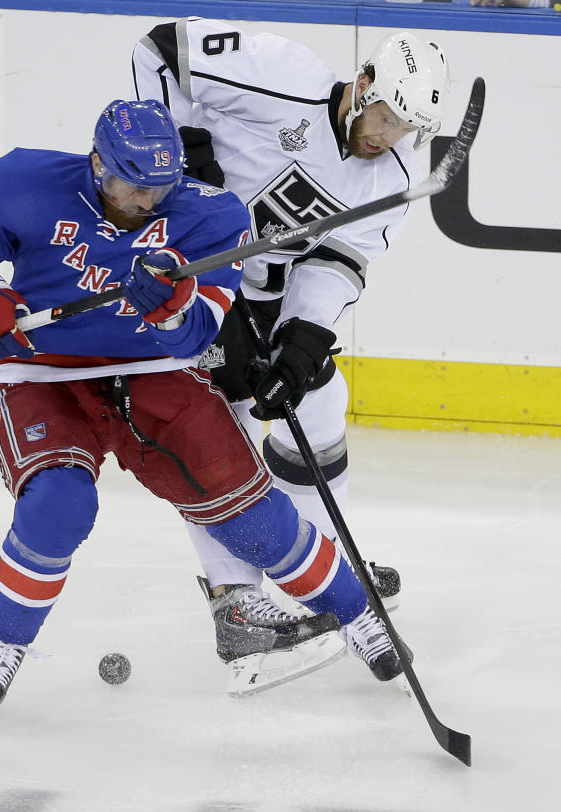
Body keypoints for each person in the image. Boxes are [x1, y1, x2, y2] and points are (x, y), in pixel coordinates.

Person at [0, 99, 408, 711]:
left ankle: (361, 619)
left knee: (250, 515)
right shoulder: (23, 181)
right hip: (41, 373)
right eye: (133, 186)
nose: (148, 202)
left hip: (152, 372)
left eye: (162, 188)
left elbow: (197, 335)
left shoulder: (213, 217)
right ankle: (5, 642)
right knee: (59, 504)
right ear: (97, 164)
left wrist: (168, 308)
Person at [132, 22, 450, 666]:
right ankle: (237, 603)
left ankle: (324, 569)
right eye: (386, 116)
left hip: (268, 293)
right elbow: (161, 48)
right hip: (186, 271)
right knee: (221, 427)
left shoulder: (395, 168)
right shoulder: (280, 72)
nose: (388, 138)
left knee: (321, 400)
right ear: (363, 85)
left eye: (406, 129)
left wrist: (303, 346)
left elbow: (340, 258)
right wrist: (186, 147)